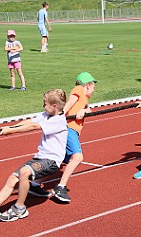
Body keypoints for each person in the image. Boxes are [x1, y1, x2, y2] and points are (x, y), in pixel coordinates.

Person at [0, 89, 67, 223]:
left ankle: (20, 208)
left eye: (45, 104)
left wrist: (11, 132)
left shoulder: (59, 121)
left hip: (52, 160)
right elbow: (30, 122)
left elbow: (34, 127)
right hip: (40, 158)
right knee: (13, 179)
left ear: (54, 106)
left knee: (24, 173)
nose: (43, 106)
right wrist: (10, 127)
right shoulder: (47, 115)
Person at [29, 72, 97, 202]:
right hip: (69, 129)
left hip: (72, 131)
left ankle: (34, 184)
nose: (94, 89)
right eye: (93, 86)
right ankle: (61, 187)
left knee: (57, 162)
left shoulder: (84, 99)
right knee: (78, 157)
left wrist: (83, 111)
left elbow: (89, 110)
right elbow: (70, 103)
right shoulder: (79, 90)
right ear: (87, 85)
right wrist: (60, 116)